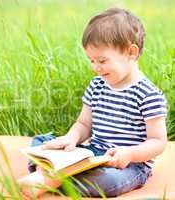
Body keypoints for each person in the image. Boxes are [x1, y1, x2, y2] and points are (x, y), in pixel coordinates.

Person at [19, 7, 167, 198]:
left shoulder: (148, 94)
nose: (95, 68)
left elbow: (157, 142)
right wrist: (71, 138)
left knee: (109, 181)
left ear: (131, 52)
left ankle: (48, 178)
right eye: (91, 60)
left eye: (102, 60)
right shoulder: (97, 85)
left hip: (128, 165)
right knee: (43, 142)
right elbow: (84, 124)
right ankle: (53, 174)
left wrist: (130, 154)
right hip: (92, 153)